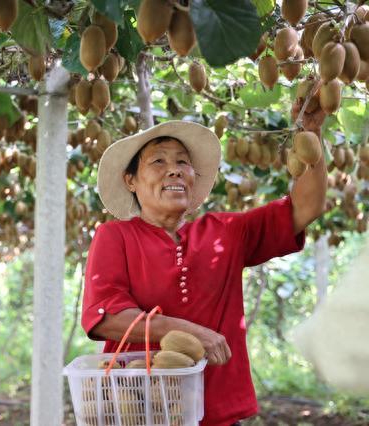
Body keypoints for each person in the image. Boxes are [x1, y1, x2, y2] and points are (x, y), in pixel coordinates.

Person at [81, 101, 327, 425]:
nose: (175, 169)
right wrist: (196, 333)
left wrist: (311, 132)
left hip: (219, 413)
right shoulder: (115, 236)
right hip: (143, 411)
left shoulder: (226, 231)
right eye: (158, 161)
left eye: (183, 162)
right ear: (131, 181)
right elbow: (105, 317)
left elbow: (306, 206)